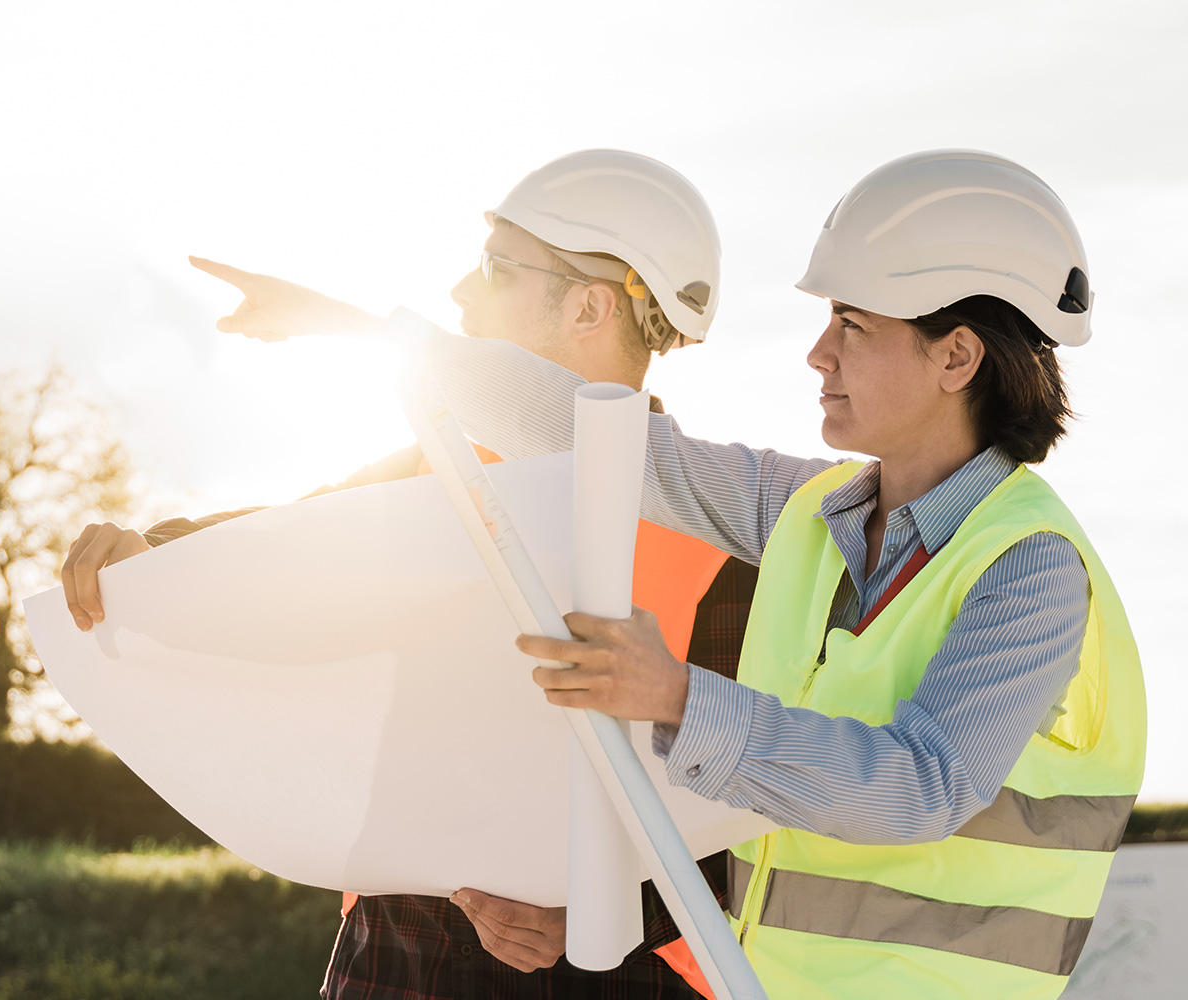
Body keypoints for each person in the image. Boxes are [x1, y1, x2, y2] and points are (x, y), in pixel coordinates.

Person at [199, 149, 1147, 1000]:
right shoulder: (810, 510)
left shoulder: (1031, 570)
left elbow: (925, 787)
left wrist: (677, 697)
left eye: (852, 327)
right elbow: (603, 444)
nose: (818, 354)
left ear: (956, 355)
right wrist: (355, 330)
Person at [64, 150, 759, 998]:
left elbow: (759, 808)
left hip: (621, 968)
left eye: (498, 269)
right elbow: (281, 547)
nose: (463, 294)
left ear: (590, 305)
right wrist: (153, 552)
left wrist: (609, 910)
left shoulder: (732, 551)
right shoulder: (429, 472)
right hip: (406, 945)